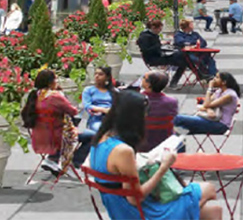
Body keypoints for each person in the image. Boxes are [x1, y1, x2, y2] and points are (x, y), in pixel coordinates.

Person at [87, 91, 223, 220]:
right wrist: (164, 166)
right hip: (136, 213)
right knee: (208, 189)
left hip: (119, 208)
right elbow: (135, 199)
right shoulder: (123, 151)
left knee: (214, 211)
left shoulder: (101, 139)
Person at [22, 69, 91, 172]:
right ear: (51, 83)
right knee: (92, 136)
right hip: (55, 139)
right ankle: (73, 161)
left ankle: (53, 158)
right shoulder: (55, 97)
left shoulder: (34, 96)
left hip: (38, 139)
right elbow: (73, 111)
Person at [173, 72, 240, 136]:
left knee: (178, 118)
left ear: (223, 82)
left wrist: (210, 88)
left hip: (220, 125)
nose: (213, 79)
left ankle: (170, 134)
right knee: (180, 127)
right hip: (211, 119)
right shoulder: (219, 91)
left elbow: (206, 105)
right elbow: (206, 103)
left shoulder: (229, 95)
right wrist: (208, 109)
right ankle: (174, 135)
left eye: (216, 77)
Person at [137, 20, 188, 88]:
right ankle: (174, 82)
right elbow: (147, 50)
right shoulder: (145, 37)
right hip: (153, 58)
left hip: (158, 55)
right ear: (153, 27)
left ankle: (174, 81)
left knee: (181, 56)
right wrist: (160, 44)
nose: (160, 31)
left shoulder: (152, 35)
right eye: (159, 29)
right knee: (182, 61)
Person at [140, 71, 180, 152]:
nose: (141, 79)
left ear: (148, 85)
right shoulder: (172, 102)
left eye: (144, 77)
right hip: (164, 144)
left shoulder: (135, 100)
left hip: (139, 145)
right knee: (181, 130)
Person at [82, 66, 115, 143]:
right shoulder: (89, 90)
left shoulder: (114, 92)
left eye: (100, 74)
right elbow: (87, 105)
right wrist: (103, 110)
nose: (97, 76)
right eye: (95, 74)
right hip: (96, 119)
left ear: (107, 77)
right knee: (101, 131)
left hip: (112, 119)